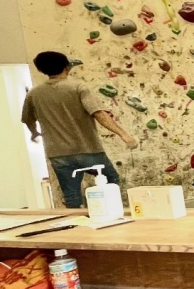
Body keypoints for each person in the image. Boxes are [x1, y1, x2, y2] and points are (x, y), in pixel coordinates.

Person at [21, 51, 138, 209]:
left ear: (41, 70)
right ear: (66, 67)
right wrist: (124, 135)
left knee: (71, 197)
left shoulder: (34, 94)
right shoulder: (78, 87)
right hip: (88, 149)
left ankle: (76, 222)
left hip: (58, 154)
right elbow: (98, 113)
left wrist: (34, 132)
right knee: (111, 181)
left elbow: (27, 119)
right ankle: (111, 212)